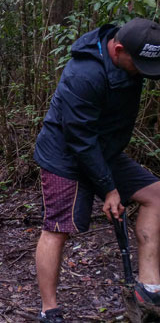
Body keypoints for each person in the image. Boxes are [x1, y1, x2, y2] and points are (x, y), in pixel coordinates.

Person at [33, 18, 160, 322]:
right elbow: (79, 138)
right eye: (140, 64)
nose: (144, 73)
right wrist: (108, 189)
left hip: (103, 151)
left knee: (156, 195)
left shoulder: (131, 61)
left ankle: (149, 287)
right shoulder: (84, 74)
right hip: (65, 155)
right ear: (118, 50)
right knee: (58, 229)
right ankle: (49, 310)